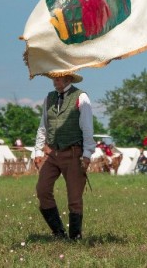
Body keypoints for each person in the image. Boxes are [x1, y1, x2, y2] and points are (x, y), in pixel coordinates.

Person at [34, 72, 95, 240]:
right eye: (53, 78)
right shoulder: (49, 98)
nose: (55, 81)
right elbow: (43, 126)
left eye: (58, 78)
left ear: (68, 78)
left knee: (74, 198)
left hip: (74, 153)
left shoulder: (81, 97)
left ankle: (75, 237)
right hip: (52, 153)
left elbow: (88, 128)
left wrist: (87, 153)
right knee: (42, 190)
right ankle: (58, 232)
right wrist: (38, 150)